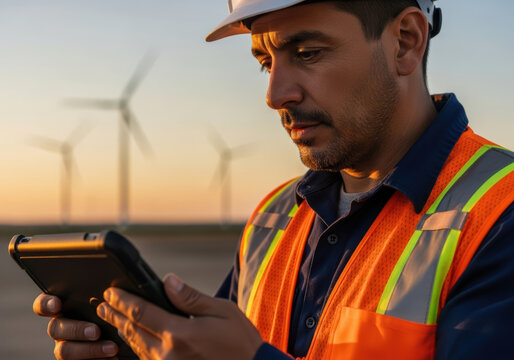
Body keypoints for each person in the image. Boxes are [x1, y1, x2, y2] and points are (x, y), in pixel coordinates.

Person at [33, 0, 514, 359]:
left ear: (405, 41)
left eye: (306, 53)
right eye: (265, 62)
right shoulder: (275, 217)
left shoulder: (500, 212)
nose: (274, 94)